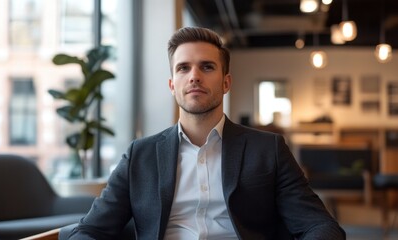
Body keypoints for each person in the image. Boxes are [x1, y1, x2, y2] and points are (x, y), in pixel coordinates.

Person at [67, 27, 345, 240]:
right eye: (183, 68)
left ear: (226, 82)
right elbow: (90, 231)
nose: (194, 76)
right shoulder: (140, 155)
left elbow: (320, 226)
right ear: (172, 85)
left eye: (207, 67)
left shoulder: (268, 149)